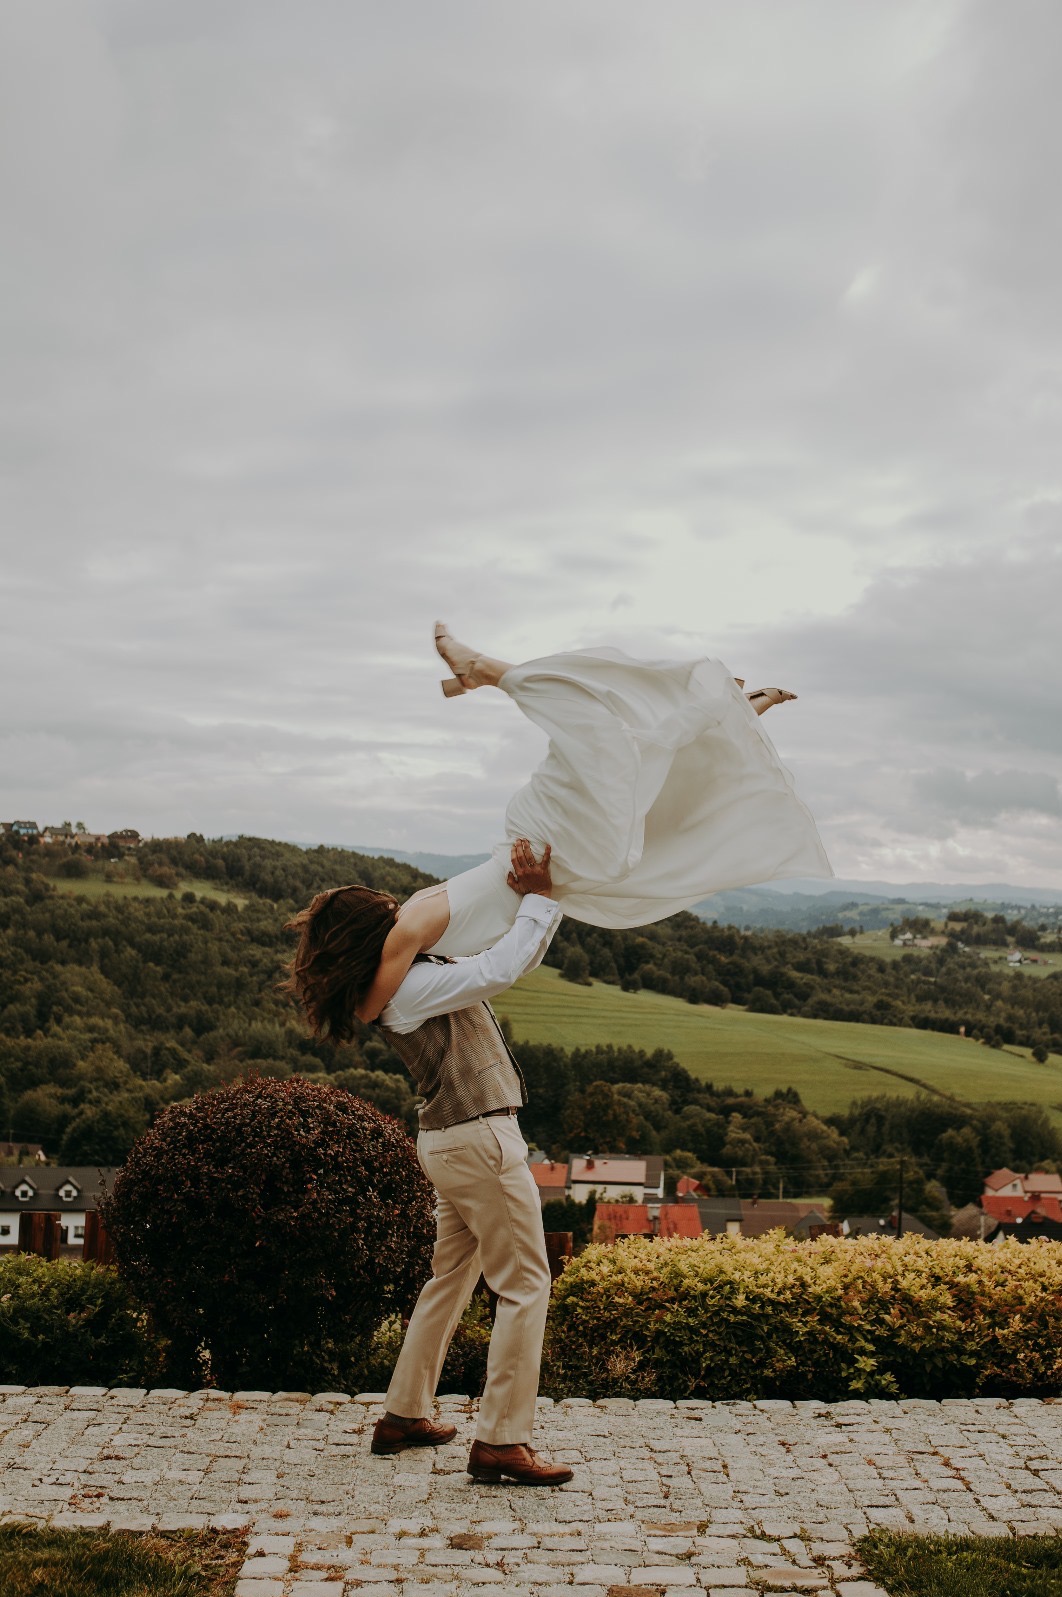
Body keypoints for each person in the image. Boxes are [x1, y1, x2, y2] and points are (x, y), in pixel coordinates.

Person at [354, 622, 831, 1025]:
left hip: (552, 863)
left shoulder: (418, 921)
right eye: (359, 901)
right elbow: (368, 1012)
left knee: (635, 764)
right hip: (546, 857)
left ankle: (732, 711)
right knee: (597, 738)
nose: (381, 896)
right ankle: (481, 670)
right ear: (352, 933)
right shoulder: (407, 929)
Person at [285, 838, 573, 1486]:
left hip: (448, 1141)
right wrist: (539, 901)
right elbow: (499, 968)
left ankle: (404, 1413)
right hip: (478, 1140)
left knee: (449, 1279)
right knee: (527, 1283)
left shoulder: (400, 979)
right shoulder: (410, 987)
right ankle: (502, 1439)